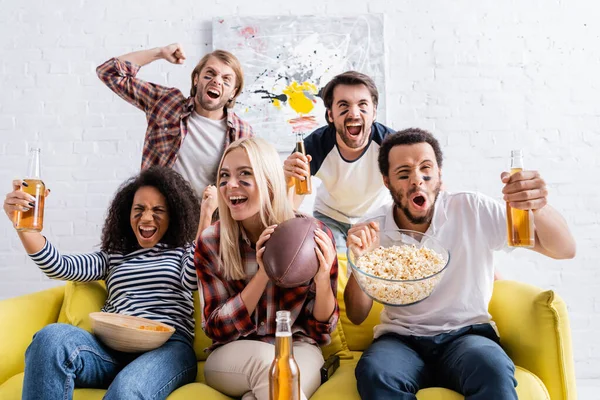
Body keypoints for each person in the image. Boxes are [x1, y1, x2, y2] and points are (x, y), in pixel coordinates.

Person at [344, 128, 576, 399]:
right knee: (375, 373)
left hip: (468, 337)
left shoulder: (471, 209)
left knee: (493, 369)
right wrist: (364, 262)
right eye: (404, 174)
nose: (417, 181)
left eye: (426, 169)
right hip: (400, 341)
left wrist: (538, 205)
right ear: (387, 181)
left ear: (439, 175)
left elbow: (564, 249)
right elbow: (357, 314)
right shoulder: (372, 228)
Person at [3, 167, 201, 399]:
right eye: (138, 209)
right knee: (50, 339)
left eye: (158, 210)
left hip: (168, 349)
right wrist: (23, 225)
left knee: (127, 388)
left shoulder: (186, 252)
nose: (146, 218)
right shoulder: (113, 256)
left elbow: (195, 276)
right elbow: (59, 266)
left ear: (174, 215)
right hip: (111, 350)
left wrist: (207, 216)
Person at [195, 137, 339, 400]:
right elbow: (217, 329)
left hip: (299, 347)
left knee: (275, 385)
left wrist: (321, 280)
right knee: (272, 367)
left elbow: (321, 330)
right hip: (233, 352)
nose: (230, 185)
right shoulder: (211, 242)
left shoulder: (312, 237)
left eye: (245, 174)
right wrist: (264, 272)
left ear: (269, 180)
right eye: (224, 176)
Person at [97, 43, 254, 234]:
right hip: (160, 225)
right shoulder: (167, 104)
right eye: (209, 74)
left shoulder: (242, 133)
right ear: (196, 79)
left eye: (226, 80)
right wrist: (159, 53)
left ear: (233, 92)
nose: (216, 81)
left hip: (211, 229)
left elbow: (249, 190)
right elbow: (109, 72)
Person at [283, 71, 395, 252]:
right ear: (330, 115)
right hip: (330, 217)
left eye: (362, 105)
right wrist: (285, 182)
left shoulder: (391, 145)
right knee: (332, 263)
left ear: (374, 112)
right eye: (344, 105)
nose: (354, 113)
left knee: (367, 270)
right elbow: (288, 209)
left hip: (374, 218)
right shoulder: (313, 146)